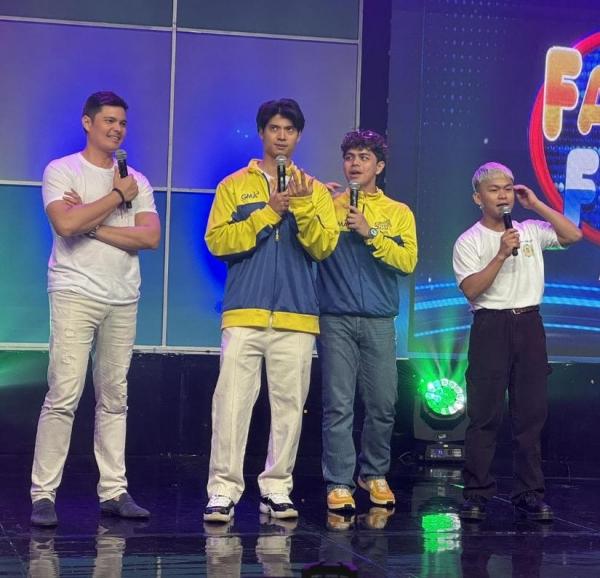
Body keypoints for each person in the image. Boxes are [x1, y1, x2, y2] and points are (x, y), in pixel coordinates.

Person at [203, 98, 339, 522]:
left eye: (289, 130)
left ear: (299, 136)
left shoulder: (314, 190)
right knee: (231, 405)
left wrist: (301, 206)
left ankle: (277, 488)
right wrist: (268, 212)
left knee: (289, 407)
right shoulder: (233, 185)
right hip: (244, 313)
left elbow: (323, 247)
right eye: (275, 128)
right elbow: (217, 242)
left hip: (297, 316)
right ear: (261, 132)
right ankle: (222, 490)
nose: (282, 136)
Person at [30, 91, 160, 526]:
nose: (117, 129)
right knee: (64, 394)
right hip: (74, 292)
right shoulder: (62, 169)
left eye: (122, 122)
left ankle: (114, 490)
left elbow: (149, 238)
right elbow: (65, 223)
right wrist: (115, 198)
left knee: (115, 397)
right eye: (108, 121)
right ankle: (43, 494)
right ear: (88, 123)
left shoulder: (137, 180)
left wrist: (93, 225)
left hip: (123, 296)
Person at [453, 162, 582, 522]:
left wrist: (536, 204)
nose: (503, 195)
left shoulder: (530, 230)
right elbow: (472, 289)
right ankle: (477, 493)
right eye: (494, 189)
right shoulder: (469, 240)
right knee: (484, 415)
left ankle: (529, 493)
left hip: (529, 324)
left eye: (508, 188)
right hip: (490, 325)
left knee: (530, 415)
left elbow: (572, 236)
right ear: (478, 198)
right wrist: (500, 254)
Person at [316, 129, 418, 513]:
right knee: (338, 405)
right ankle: (339, 481)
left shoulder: (398, 212)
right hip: (336, 318)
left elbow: (407, 262)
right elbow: (311, 247)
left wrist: (370, 231)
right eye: (349, 157)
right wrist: (318, 206)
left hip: (378, 319)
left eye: (363, 157)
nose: (355, 164)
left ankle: (373, 473)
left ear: (380, 165)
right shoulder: (329, 206)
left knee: (382, 404)